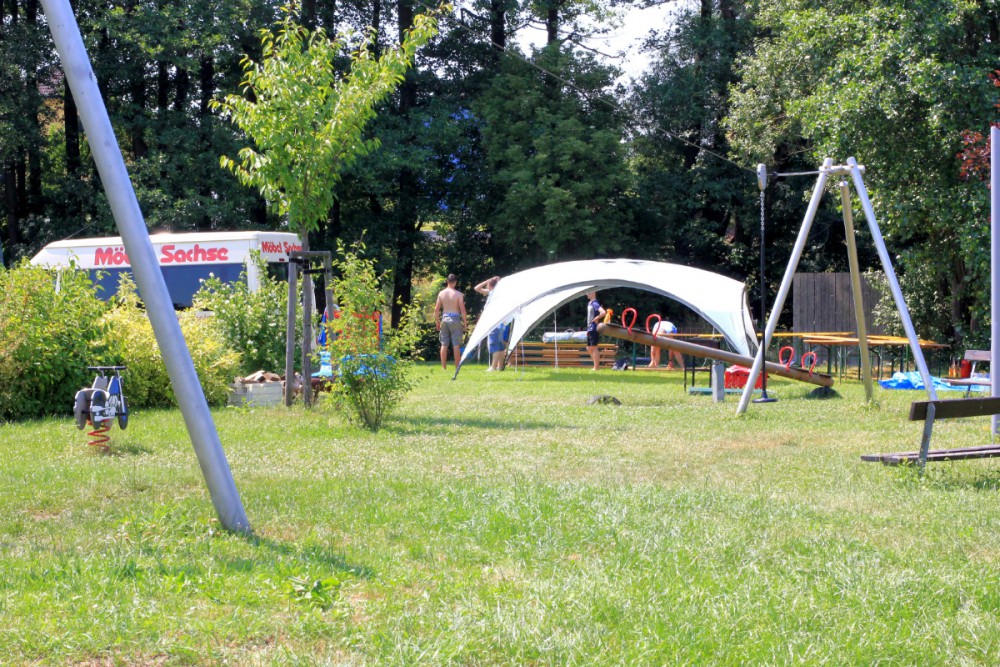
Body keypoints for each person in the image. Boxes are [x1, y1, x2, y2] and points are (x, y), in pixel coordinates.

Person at [434, 273, 468, 370]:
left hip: (445, 318)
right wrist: (465, 323)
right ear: (455, 282)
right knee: (456, 344)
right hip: (455, 318)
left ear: (447, 281)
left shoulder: (441, 293)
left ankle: (443, 367)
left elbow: (436, 309)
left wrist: (437, 321)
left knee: (444, 343)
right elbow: (463, 310)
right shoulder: (458, 294)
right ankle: (457, 367)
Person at [474, 276, 507, 371]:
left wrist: (486, 280)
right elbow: (476, 288)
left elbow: (477, 288)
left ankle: (493, 366)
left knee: (494, 344)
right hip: (501, 322)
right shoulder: (499, 293)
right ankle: (500, 366)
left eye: (488, 284)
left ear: (489, 285)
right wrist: (498, 282)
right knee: (500, 345)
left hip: (494, 322)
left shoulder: (492, 293)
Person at [585, 291, 607, 371]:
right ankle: (596, 365)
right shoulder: (590, 303)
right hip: (589, 328)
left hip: (593, 328)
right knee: (588, 348)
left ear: (594, 293)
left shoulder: (595, 303)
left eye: (589, 292)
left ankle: (596, 367)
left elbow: (603, 312)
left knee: (594, 347)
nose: (587, 294)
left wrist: (596, 319)